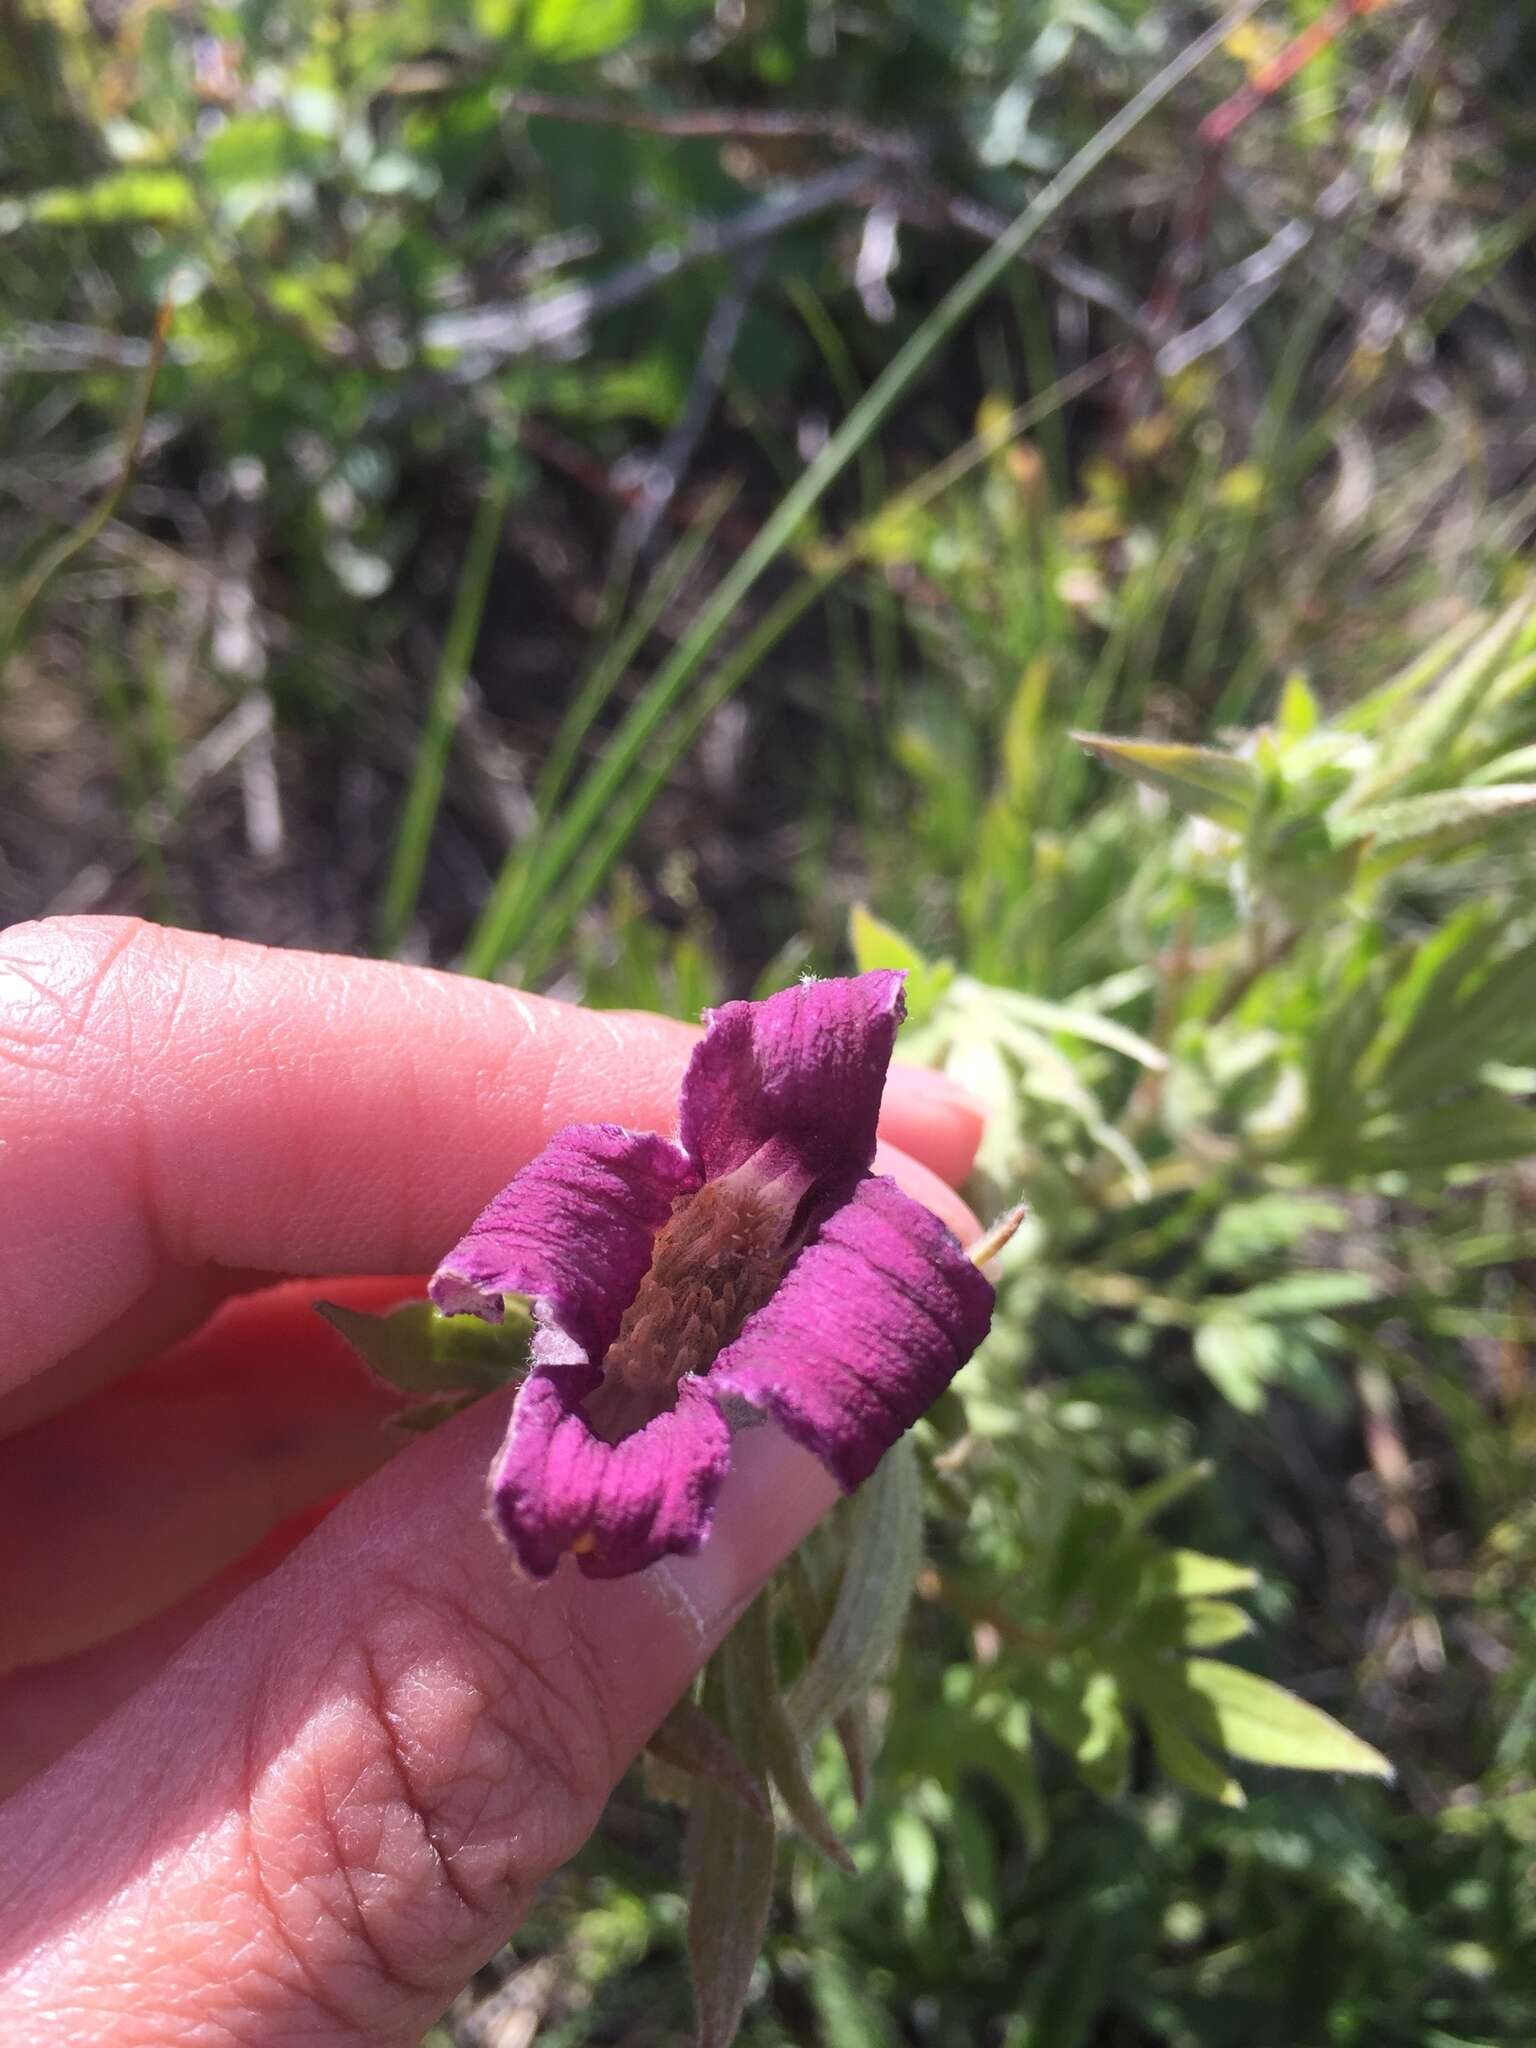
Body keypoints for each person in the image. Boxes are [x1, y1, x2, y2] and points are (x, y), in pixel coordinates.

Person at [0, 916, 983, 2046]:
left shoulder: (818, 1230)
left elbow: (893, 1290)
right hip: (619, 1434)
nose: (747, 1202)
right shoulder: (614, 1369)